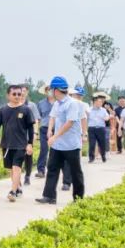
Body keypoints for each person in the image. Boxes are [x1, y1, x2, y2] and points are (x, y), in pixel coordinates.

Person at [36, 76, 85, 204]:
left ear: (57, 90)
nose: (51, 91)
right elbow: (52, 116)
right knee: (52, 169)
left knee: (75, 172)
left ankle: (78, 199)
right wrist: (49, 130)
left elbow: (70, 123)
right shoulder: (57, 103)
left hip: (71, 145)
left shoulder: (72, 103)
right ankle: (49, 196)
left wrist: (55, 136)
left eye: (52, 89)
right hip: (58, 145)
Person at [0, 84, 34, 202]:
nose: (17, 96)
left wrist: (30, 143)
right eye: (14, 94)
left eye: (19, 94)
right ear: (8, 95)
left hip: (21, 144)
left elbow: (30, 128)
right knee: (11, 169)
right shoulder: (3, 110)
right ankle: (17, 187)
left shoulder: (26, 110)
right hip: (7, 144)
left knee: (16, 167)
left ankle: (12, 191)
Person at [34, 84, 54, 178]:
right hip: (44, 129)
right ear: (45, 92)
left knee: (56, 150)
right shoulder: (41, 103)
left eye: (51, 89)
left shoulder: (59, 102)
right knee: (44, 149)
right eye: (47, 90)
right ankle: (41, 170)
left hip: (56, 129)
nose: (49, 91)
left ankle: (55, 169)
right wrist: (36, 131)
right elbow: (38, 118)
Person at [87, 92, 111, 163]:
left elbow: (107, 117)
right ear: (94, 102)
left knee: (102, 143)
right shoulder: (89, 110)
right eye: (99, 102)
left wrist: (106, 118)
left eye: (101, 102)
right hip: (92, 128)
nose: (101, 103)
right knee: (92, 144)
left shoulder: (103, 110)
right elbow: (85, 118)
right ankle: (91, 158)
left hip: (101, 128)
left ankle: (103, 156)